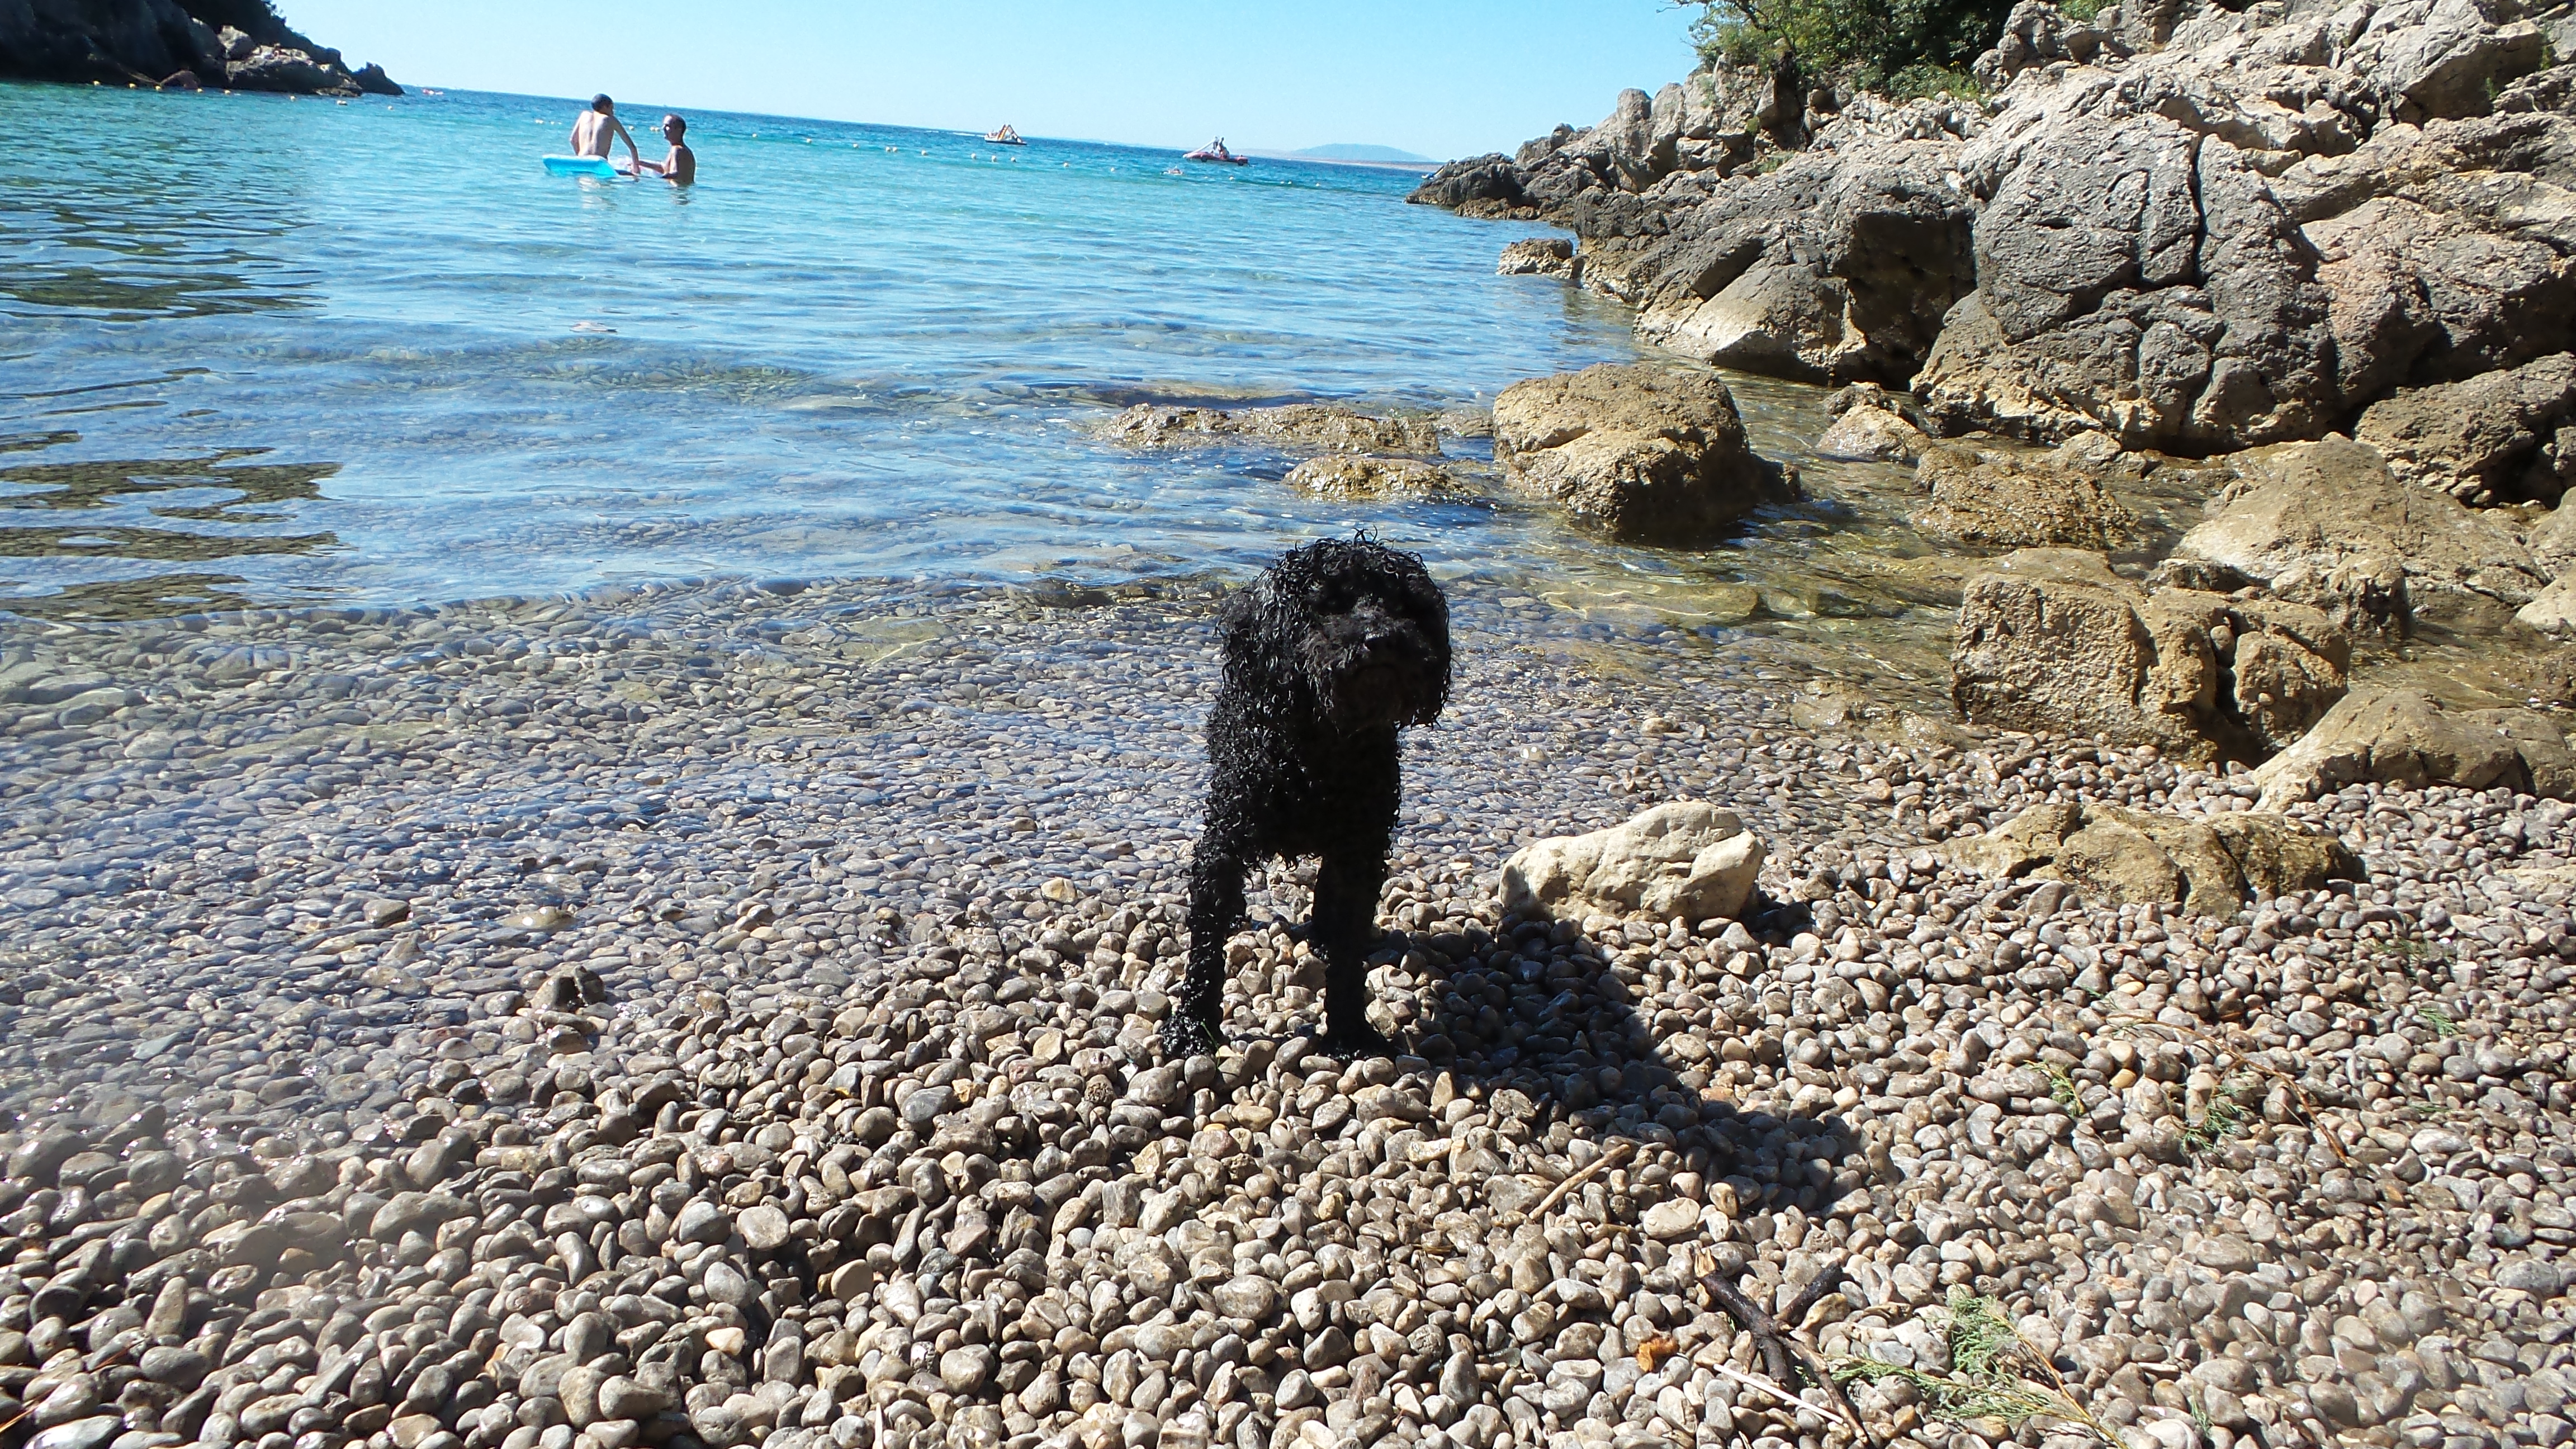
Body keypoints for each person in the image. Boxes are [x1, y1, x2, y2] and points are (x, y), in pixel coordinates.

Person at [571, 94, 642, 171]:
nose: (613, 112)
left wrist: (580, 157)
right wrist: (636, 170)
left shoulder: (584, 115)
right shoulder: (610, 120)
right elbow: (632, 147)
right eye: (612, 108)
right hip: (599, 163)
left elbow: (572, 140)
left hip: (582, 161)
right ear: (605, 107)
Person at [636, 114, 695, 184]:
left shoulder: (677, 149)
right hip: (680, 192)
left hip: (677, 192)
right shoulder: (680, 149)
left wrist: (650, 180)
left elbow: (675, 174)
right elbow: (664, 168)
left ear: (679, 130)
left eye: (667, 126)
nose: (663, 128)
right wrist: (639, 162)